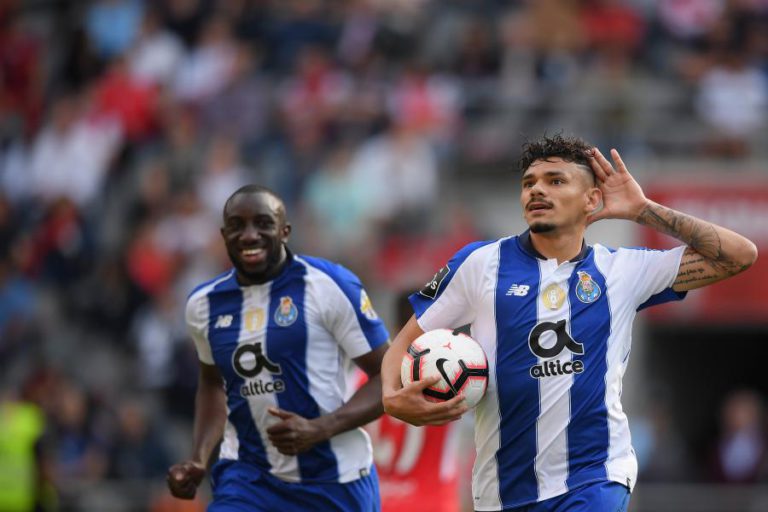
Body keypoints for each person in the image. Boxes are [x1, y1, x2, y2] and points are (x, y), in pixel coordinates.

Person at [380, 135, 758, 512]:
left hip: (595, 478)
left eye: (555, 181)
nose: (537, 190)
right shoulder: (480, 264)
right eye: (529, 183)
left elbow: (739, 255)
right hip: (502, 492)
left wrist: (643, 210)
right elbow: (405, 342)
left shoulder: (623, 270)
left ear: (592, 199)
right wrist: (391, 397)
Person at [167, 185, 390, 511]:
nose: (249, 235)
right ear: (223, 234)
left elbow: (389, 376)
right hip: (248, 480)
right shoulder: (203, 305)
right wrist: (200, 458)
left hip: (335, 481)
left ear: (284, 231)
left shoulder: (328, 286)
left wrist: (320, 428)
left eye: (262, 223)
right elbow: (213, 384)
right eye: (237, 226)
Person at [362, 291, 468, 512]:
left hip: (377, 502)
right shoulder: (456, 376)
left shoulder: (363, 380)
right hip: (434, 504)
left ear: (394, 328)